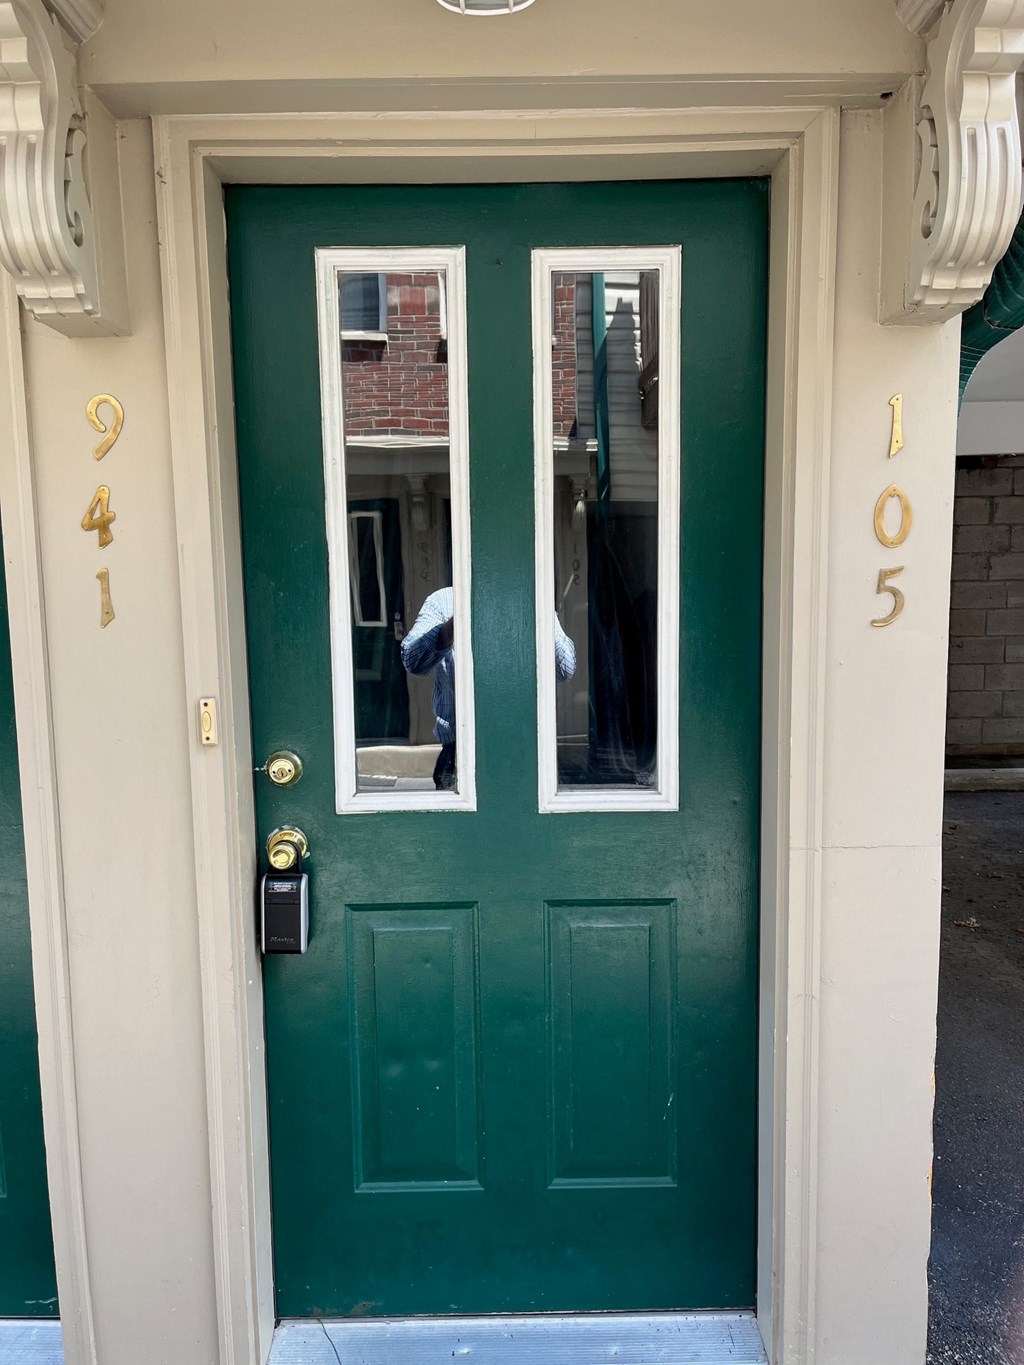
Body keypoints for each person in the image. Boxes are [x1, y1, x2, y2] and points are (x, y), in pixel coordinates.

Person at [401, 586, 576, 790]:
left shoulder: (534, 594)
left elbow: (565, 669)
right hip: (458, 754)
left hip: (523, 752)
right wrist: (457, 624)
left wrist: (539, 612)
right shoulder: (442, 600)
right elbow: (413, 662)